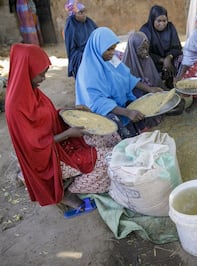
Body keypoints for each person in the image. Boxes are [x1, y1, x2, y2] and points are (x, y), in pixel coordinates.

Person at [5, 43, 117, 216]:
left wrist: (69, 111)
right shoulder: (15, 106)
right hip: (46, 158)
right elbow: (34, 146)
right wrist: (69, 134)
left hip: (59, 141)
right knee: (108, 160)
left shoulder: (32, 90)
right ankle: (65, 190)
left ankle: (73, 178)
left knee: (107, 136)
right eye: (41, 74)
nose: (43, 78)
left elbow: (46, 117)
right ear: (26, 70)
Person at [75, 27, 164, 139]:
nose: (112, 53)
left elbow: (127, 78)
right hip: (101, 112)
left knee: (139, 100)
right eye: (109, 49)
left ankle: (138, 132)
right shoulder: (88, 71)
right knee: (115, 122)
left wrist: (150, 89)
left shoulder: (111, 59)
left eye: (114, 48)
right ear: (98, 47)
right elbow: (97, 102)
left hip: (117, 103)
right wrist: (127, 112)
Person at [122, 31, 185, 115]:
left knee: (177, 100)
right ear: (133, 49)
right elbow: (130, 84)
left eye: (146, 48)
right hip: (137, 95)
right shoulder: (125, 65)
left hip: (151, 91)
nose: (145, 52)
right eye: (141, 49)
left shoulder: (147, 59)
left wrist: (157, 88)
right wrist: (149, 89)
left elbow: (154, 80)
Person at [139, 5, 182, 89]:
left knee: (183, 59)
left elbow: (177, 47)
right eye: (159, 21)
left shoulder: (170, 27)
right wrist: (163, 60)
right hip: (153, 61)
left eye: (164, 21)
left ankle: (174, 81)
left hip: (171, 60)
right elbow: (144, 52)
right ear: (152, 19)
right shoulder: (145, 30)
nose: (162, 24)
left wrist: (168, 58)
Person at [63, 0, 97, 78]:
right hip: (80, 56)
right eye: (80, 12)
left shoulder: (89, 22)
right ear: (73, 14)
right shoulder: (71, 26)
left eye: (84, 11)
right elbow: (72, 50)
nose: (84, 15)